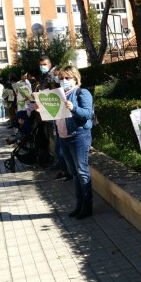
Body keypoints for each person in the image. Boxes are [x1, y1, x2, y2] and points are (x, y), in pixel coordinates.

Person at [56, 65, 94, 219]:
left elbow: (86, 114)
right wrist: (42, 109)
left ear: (75, 79)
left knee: (82, 172)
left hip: (79, 136)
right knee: (73, 173)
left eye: (67, 78)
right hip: (63, 137)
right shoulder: (58, 95)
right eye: (61, 78)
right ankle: (79, 204)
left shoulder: (81, 92)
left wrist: (73, 108)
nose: (64, 81)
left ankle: (87, 205)